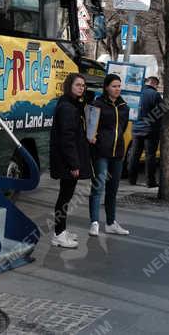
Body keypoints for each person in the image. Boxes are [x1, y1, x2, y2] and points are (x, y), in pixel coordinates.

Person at [49, 73, 92, 248]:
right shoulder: (68, 107)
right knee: (64, 198)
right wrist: (74, 164)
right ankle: (58, 234)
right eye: (78, 85)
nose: (82, 88)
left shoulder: (72, 104)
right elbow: (67, 138)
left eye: (83, 85)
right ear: (69, 86)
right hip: (67, 161)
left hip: (66, 159)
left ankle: (61, 230)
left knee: (65, 196)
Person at [87, 74, 131, 237]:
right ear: (106, 87)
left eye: (119, 86)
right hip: (101, 153)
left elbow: (123, 128)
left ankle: (111, 223)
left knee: (113, 190)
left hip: (117, 154)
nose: (117, 89)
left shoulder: (124, 106)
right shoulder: (97, 105)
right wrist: (97, 142)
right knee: (98, 188)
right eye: (114, 86)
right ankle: (94, 222)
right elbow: (90, 129)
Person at [128, 76, 163, 187]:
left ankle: (132, 179)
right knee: (150, 156)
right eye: (157, 85)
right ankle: (150, 181)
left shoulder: (136, 93)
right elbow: (161, 111)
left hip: (136, 129)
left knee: (134, 154)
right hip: (150, 130)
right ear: (154, 83)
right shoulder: (155, 95)